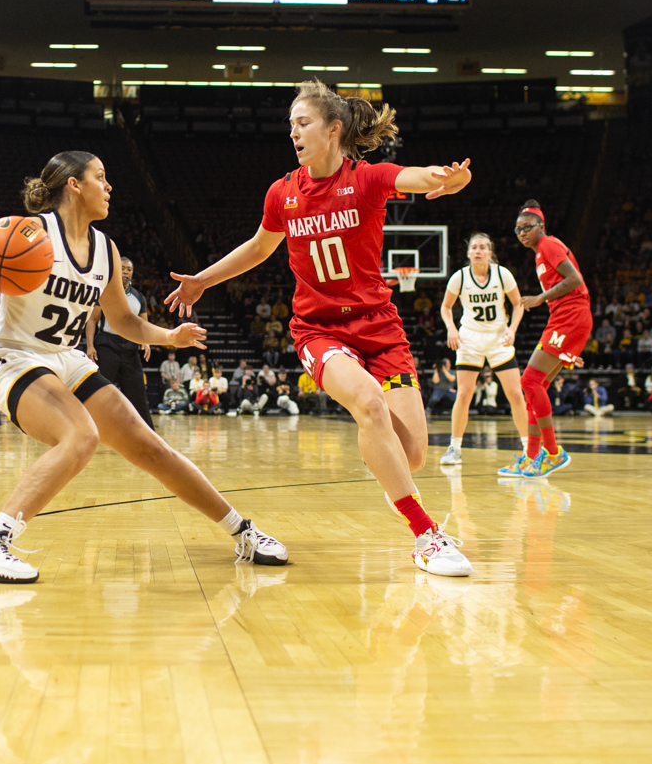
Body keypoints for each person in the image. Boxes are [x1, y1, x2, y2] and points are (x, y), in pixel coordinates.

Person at [164, 80, 473, 576]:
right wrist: (203, 279)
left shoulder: (369, 180)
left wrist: (448, 179)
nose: (293, 133)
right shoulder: (282, 193)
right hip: (318, 330)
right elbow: (259, 248)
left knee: (411, 455)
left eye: (303, 123)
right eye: (290, 126)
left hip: (380, 327)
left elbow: (415, 176)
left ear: (333, 129)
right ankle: (426, 537)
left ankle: (380, 453)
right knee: (370, 404)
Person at [0, 150, 286, 583]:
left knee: (150, 447)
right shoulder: (27, 231)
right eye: (100, 177)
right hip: (15, 355)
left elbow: (122, 320)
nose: (109, 187)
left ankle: (243, 532)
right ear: (73, 185)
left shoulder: (105, 249)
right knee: (80, 436)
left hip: (66, 358)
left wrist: (168, 338)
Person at [498, 199, 593, 479]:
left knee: (527, 381)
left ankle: (553, 453)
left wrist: (540, 298)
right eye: (518, 230)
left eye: (527, 227)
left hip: (571, 316)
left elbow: (574, 279)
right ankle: (531, 458)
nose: (522, 233)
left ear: (541, 226)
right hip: (564, 319)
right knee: (533, 389)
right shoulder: (540, 251)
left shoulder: (549, 244)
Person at [439, 231, 529, 466]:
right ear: (468, 253)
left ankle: (529, 447)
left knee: (515, 394)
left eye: (482, 247)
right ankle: (454, 448)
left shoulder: (502, 275)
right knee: (464, 393)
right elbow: (446, 307)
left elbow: (518, 305)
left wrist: (512, 329)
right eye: (474, 247)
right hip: (469, 338)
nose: (478, 251)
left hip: (499, 337)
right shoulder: (459, 277)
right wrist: (451, 328)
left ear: (490, 253)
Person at [85, 255, 154, 426]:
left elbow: (144, 324)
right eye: (122, 268)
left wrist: (146, 342)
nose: (125, 272)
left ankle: (147, 432)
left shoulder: (139, 297)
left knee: (138, 394)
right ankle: (89, 427)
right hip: (107, 345)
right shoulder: (106, 291)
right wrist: (90, 345)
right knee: (99, 390)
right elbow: (92, 320)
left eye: (129, 269)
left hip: (130, 347)